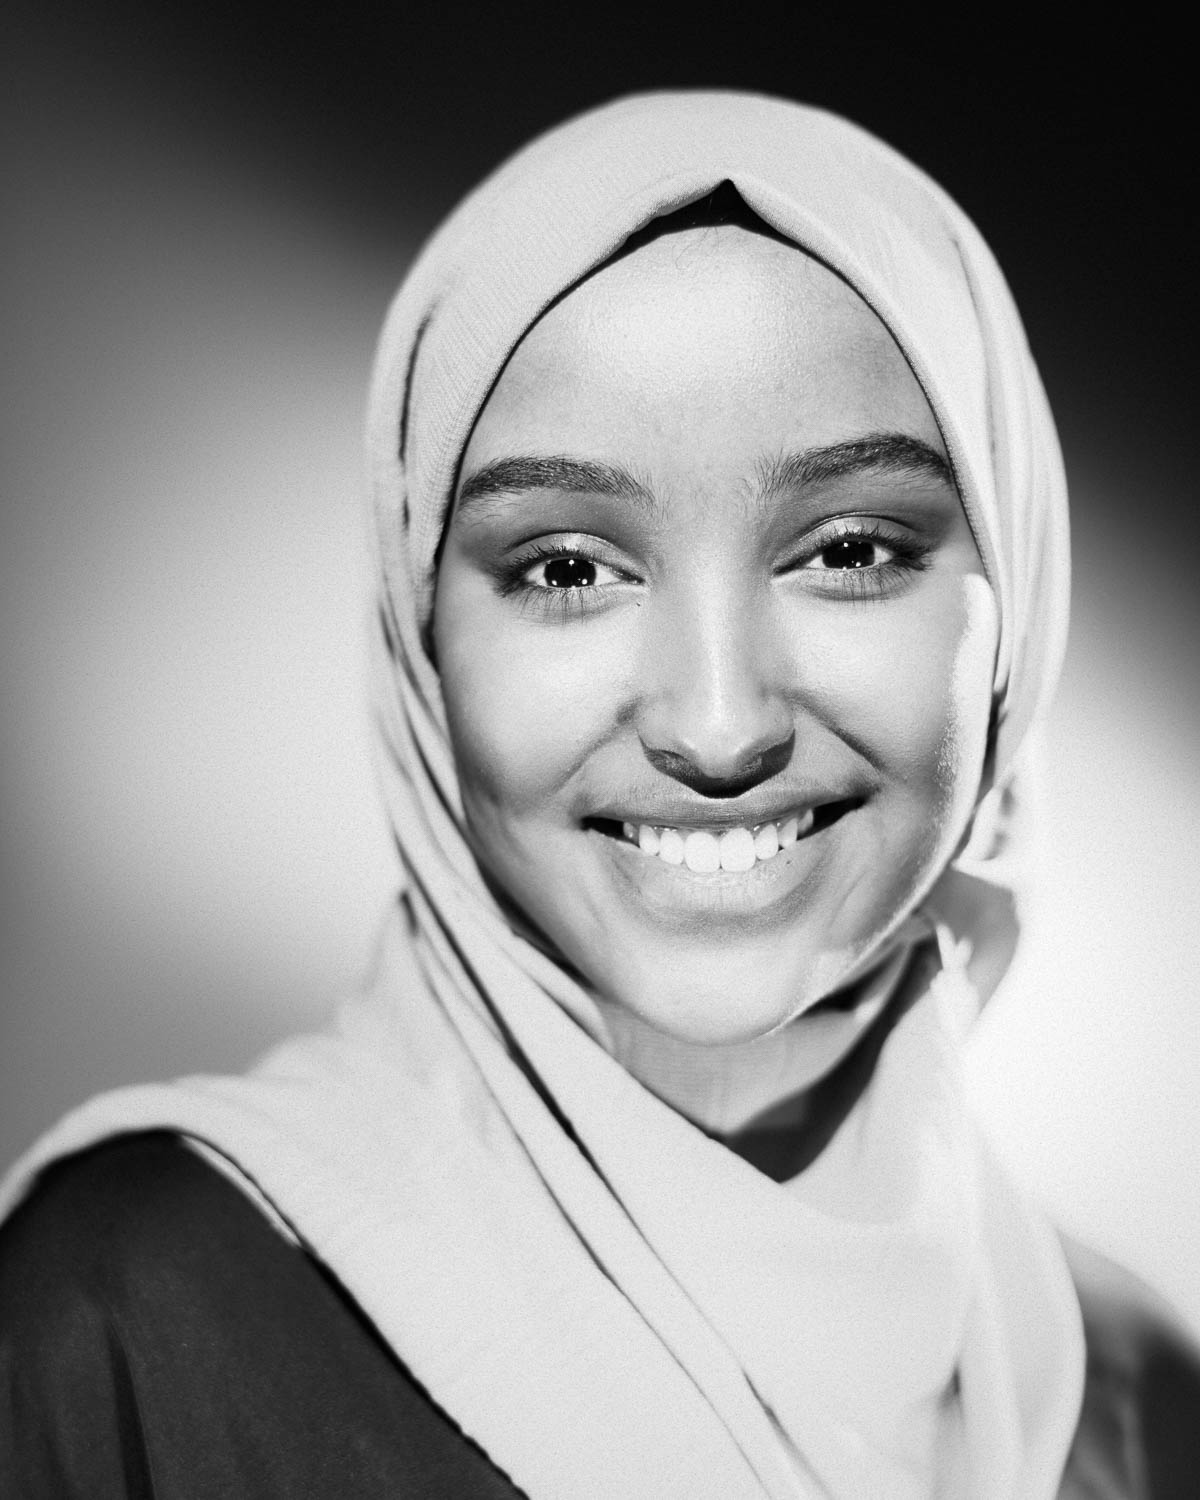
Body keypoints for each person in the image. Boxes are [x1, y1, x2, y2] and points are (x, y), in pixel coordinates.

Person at [0, 90, 1197, 1499]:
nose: (717, 721)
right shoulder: (129, 1331)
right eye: (567, 568)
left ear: (1019, 605)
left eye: (854, 547)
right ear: (419, 637)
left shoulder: (1131, 1395)